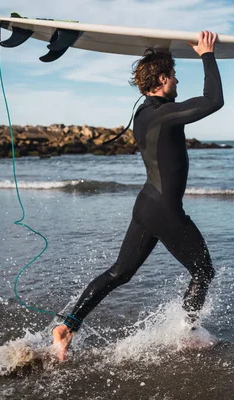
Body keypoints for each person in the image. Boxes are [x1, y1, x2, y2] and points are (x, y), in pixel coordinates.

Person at [52, 31, 224, 360]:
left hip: (147, 204)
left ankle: (67, 327)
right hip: (164, 210)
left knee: (120, 272)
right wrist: (207, 54)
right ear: (162, 79)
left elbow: (165, 95)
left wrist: (161, 53)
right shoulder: (162, 114)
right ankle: (187, 333)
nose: (177, 82)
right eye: (173, 76)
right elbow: (213, 101)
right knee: (203, 272)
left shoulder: (145, 113)